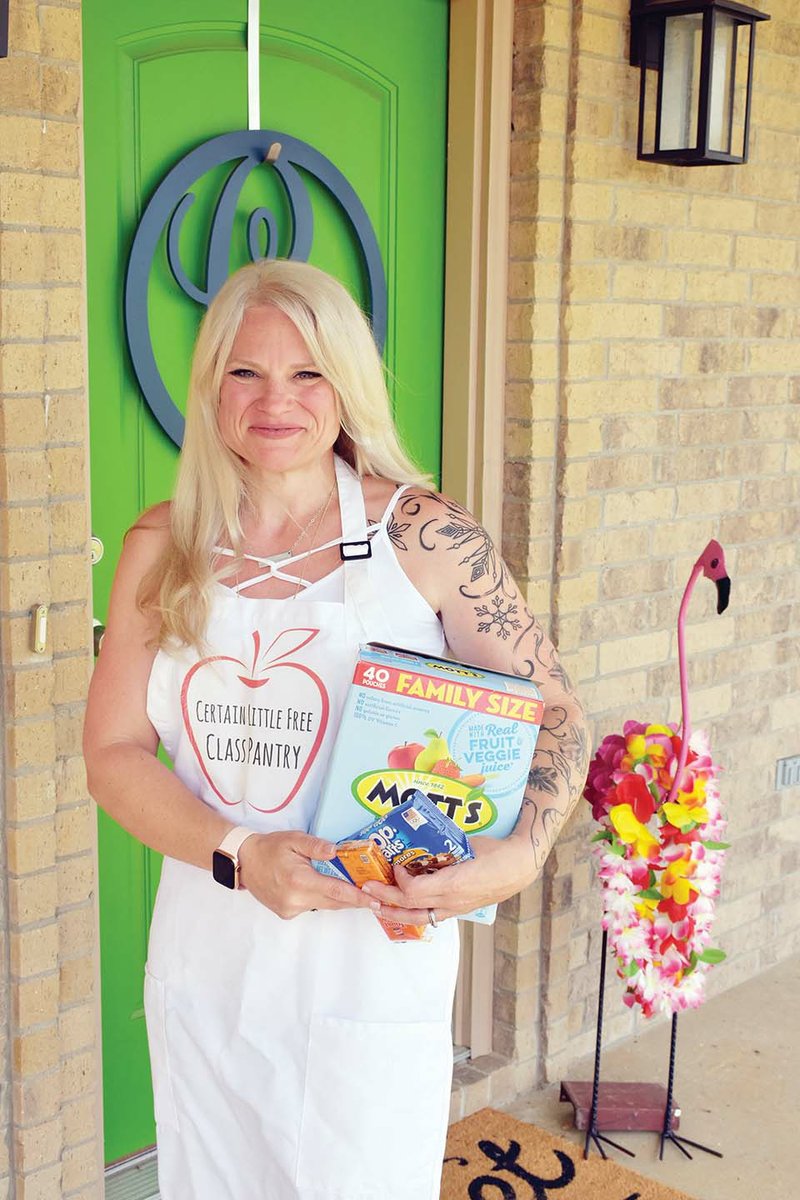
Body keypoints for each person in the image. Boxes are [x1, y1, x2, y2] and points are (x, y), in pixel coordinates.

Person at [83, 259, 589, 1200]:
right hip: (210, 957)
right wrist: (239, 852)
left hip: (373, 961)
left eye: (307, 372)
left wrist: (519, 855)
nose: (277, 401)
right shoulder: (164, 546)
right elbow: (113, 756)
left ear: (347, 384)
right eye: (246, 372)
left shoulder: (427, 539)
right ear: (210, 388)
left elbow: (555, 708)